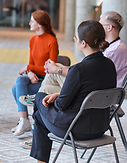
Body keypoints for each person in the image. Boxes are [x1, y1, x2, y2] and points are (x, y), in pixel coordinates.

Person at [30, 20, 116, 163]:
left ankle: (40, 158)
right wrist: (58, 95)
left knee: (39, 102)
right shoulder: (109, 65)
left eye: (76, 38)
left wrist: (59, 98)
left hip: (75, 130)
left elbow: (61, 106)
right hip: (100, 127)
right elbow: (96, 94)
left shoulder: (78, 70)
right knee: (41, 112)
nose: (75, 41)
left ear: (83, 43)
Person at [11, 10, 58, 136]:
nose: (29, 23)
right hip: (35, 76)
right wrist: (30, 72)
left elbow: (51, 68)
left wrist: (28, 67)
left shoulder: (52, 41)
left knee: (16, 89)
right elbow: (31, 62)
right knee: (20, 81)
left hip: (47, 80)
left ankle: (25, 121)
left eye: (32, 20)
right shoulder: (32, 40)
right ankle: (24, 120)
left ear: (40, 24)